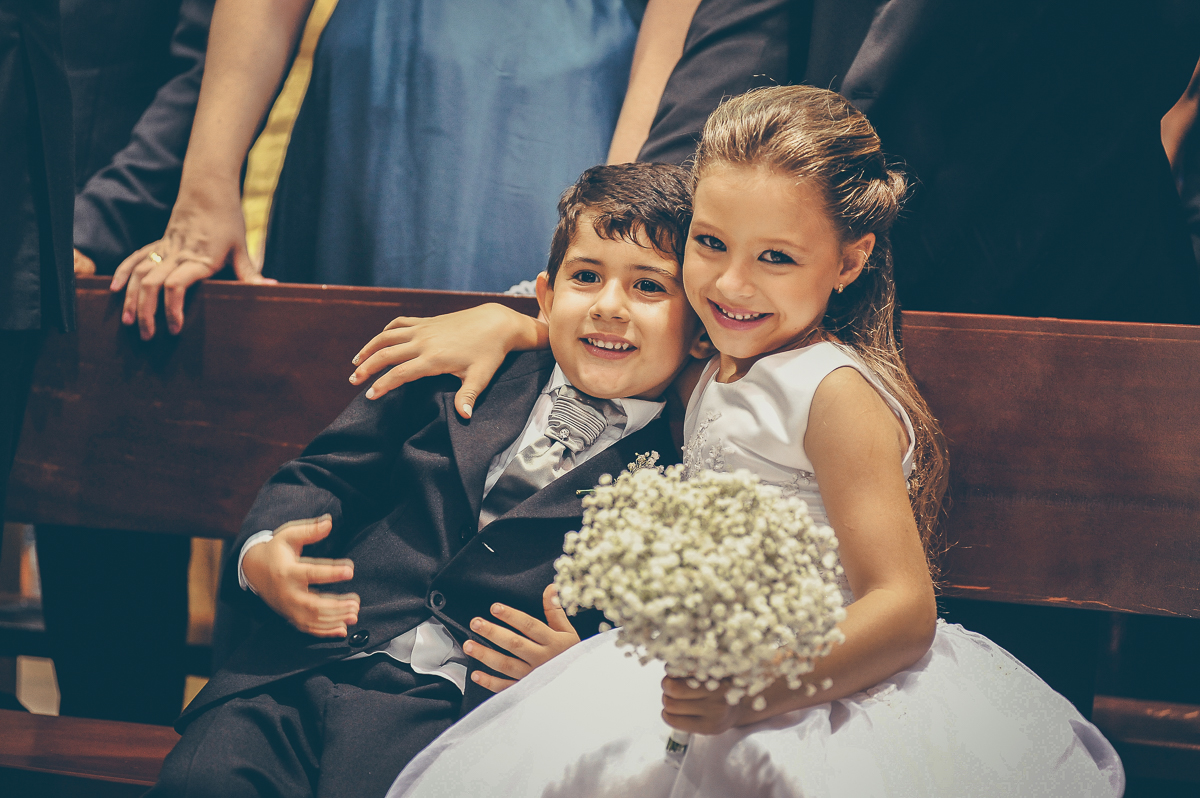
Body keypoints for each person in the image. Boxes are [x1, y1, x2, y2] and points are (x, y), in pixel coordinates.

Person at [358, 87, 1122, 797]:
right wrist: (514, 320)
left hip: (813, 686)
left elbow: (901, 608)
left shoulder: (833, 394)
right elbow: (611, 337)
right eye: (711, 243)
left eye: (776, 257)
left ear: (850, 260)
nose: (730, 284)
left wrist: (753, 686)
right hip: (684, 667)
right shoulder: (714, 364)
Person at [147, 163, 705, 798]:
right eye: (586, 277)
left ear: (699, 329)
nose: (609, 306)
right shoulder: (459, 371)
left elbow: (653, 633)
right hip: (304, 665)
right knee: (205, 778)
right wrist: (263, 552)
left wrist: (573, 670)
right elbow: (324, 472)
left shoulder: (682, 470)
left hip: (462, 719)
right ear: (546, 299)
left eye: (650, 288)